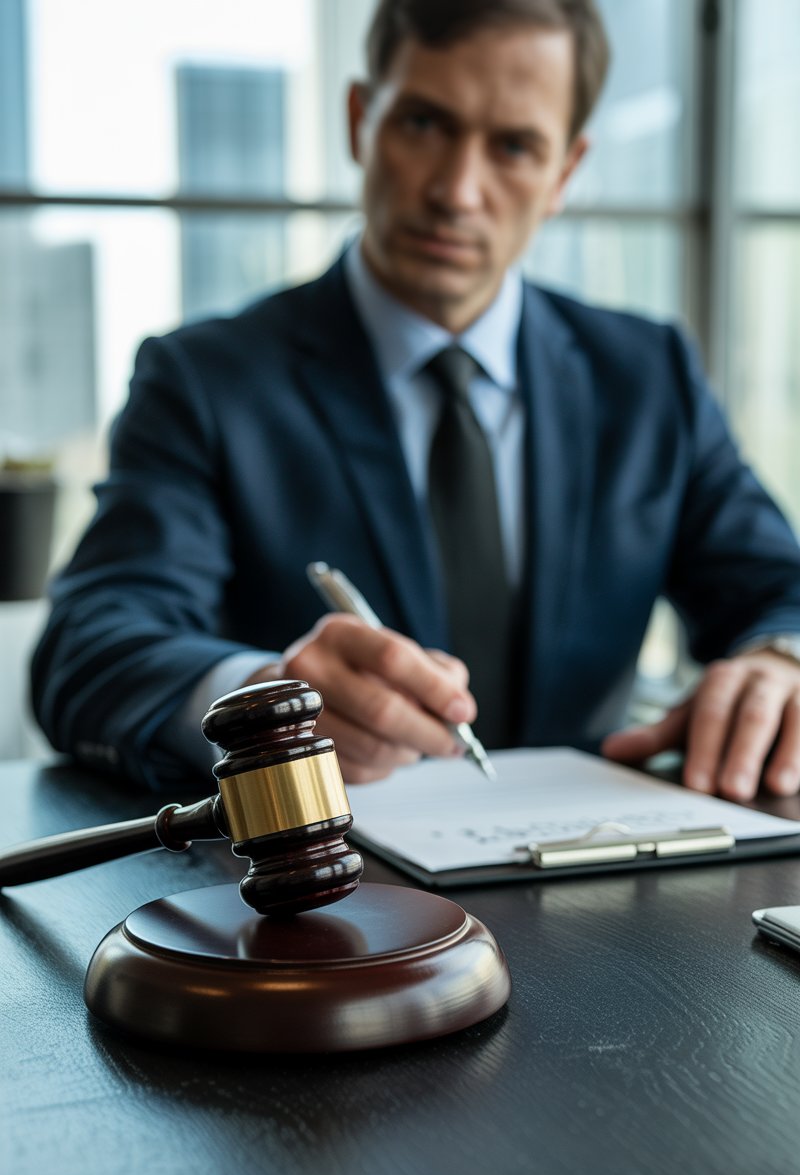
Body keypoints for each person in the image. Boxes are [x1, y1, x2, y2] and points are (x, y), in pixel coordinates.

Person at [31, 0, 800, 804]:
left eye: (513, 146)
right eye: (426, 123)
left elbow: (778, 590)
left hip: (603, 884)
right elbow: (88, 648)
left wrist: (781, 660)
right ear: (361, 120)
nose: (457, 191)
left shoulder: (648, 375)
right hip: (322, 905)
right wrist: (268, 700)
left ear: (564, 173)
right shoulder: (204, 378)